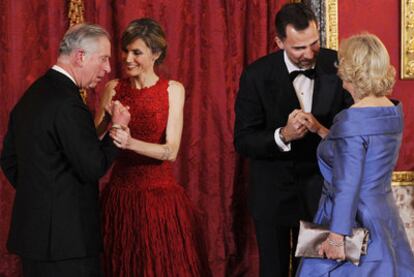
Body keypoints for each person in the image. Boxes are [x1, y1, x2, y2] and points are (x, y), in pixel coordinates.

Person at [0, 23, 131, 277]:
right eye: (103, 59)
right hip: (69, 243)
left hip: (35, 240)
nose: (108, 68)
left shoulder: (31, 96)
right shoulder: (69, 104)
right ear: (80, 56)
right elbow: (92, 166)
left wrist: (43, 195)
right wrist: (118, 130)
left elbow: (8, 160)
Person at [234, 3, 352, 276]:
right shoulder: (256, 75)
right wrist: (282, 135)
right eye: (299, 48)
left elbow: (352, 127)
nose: (309, 54)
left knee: (317, 272)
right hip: (272, 196)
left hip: (319, 194)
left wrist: (321, 128)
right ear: (279, 42)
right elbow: (243, 140)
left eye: (314, 43)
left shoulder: (336, 65)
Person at [95, 18, 209, 277]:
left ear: (156, 54)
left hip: (159, 201)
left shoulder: (172, 90)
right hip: (120, 198)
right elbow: (93, 138)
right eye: (125, 51)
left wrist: (129, 142)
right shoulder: (113, 88)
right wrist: (109, 119)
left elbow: (171, 150)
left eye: (137, 52)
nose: (127, 58)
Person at [296, 33, 414, 276]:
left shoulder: (352, 119)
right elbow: (363, 152)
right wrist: (321, 130)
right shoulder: (391, 110)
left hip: (353, 220)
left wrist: (337, 237)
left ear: (350, 71)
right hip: (384, 215)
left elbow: (348, 183)